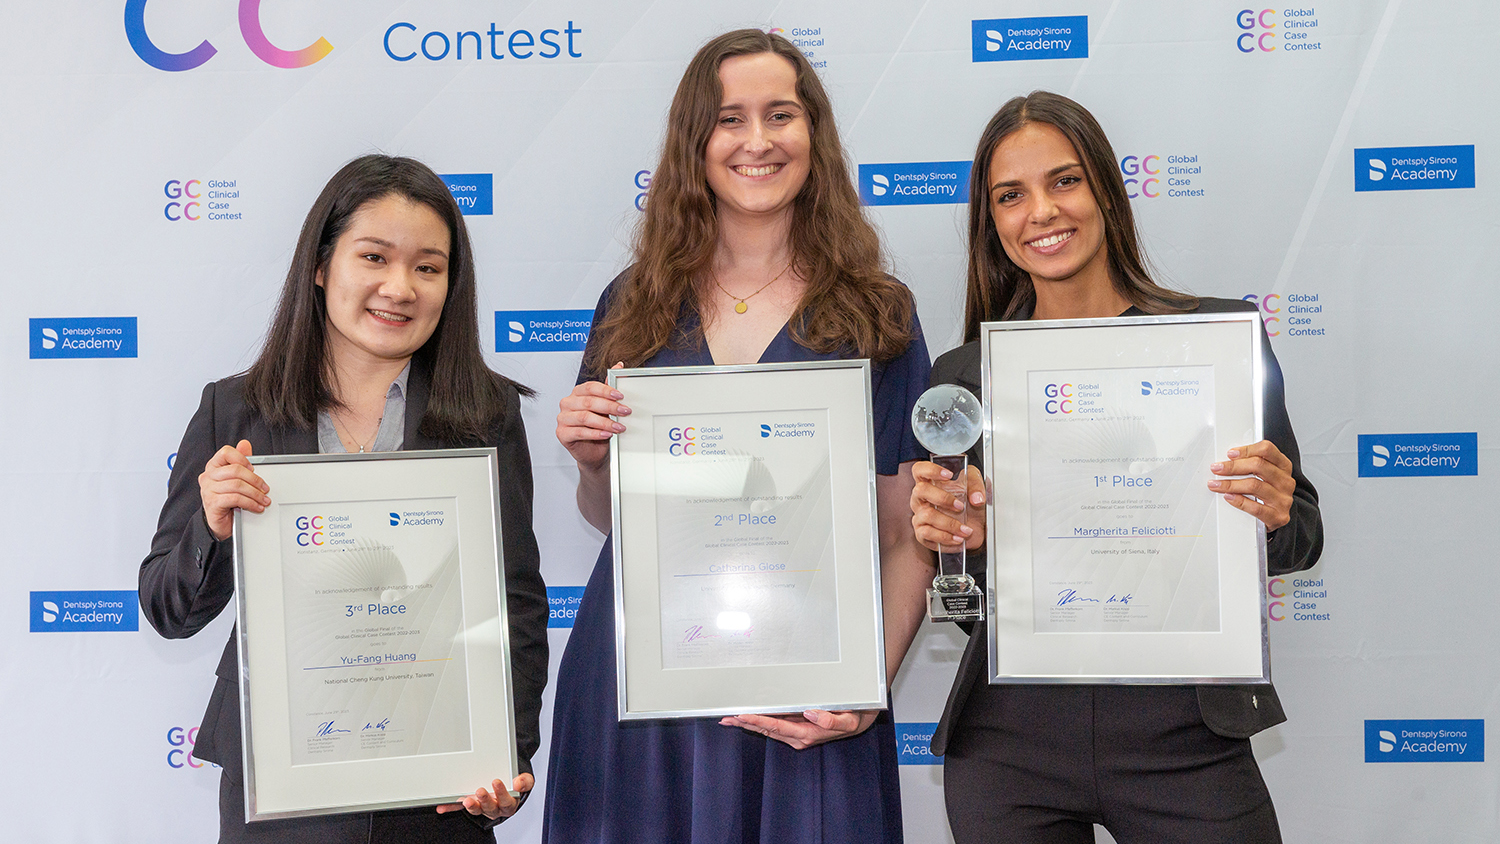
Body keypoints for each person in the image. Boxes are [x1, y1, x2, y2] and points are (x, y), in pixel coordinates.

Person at [544, 29, 933, 844]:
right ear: (696, 143)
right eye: (729, 119)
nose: (757, 141)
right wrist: (590, 463)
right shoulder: (631, 303)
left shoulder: (879, 313)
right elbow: (615, 517)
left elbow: (903, 534)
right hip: (645, 683)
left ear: (814, 137)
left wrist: (868, 687)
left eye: (780, 115)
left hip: (811, 690)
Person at [909, 91, 1324, 844]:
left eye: (1064, 181)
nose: (1041, 211)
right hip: (1010, 742)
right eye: (1011, 195)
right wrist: (956, 545)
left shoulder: (1214, 340)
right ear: (991, 222)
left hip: (1187, 736)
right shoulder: (964, 376)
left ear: (1105, 187)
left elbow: (1302, 540)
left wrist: (1276, 509)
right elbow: (968, 609)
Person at [139, 155, 548, 843]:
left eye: (428, 267)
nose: (400, 287)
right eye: (375, 257)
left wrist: (507, 757)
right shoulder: (236, 410)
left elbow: (515, 601)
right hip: (282, 785)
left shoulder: (486, 412)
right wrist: (210, 529)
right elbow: (167, 611)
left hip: (437, 784)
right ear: (323, 265)